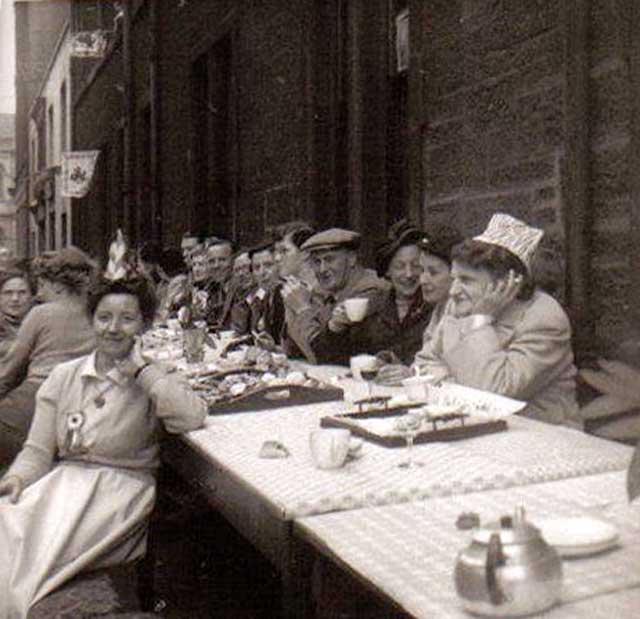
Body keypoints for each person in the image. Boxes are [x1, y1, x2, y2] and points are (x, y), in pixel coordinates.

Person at [0, 268, 206, 617]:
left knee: (35, 552)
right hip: (64, 484)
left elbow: (191, 416)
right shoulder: (65, 376)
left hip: (120, 492)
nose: (114, 328)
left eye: (127, 319)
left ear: (143, 325)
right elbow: (37, 451)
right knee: (6, 521)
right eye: (104, 317)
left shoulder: (155, 376)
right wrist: (17, 478)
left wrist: (141, 371)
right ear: (91, 321)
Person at [414, 214, 577, 425]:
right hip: (468, 426)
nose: (453, 291)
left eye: (466, 280)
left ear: (506, 282)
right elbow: (424, 362)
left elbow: (496, 392)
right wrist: (455, 381)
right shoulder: (457, 306)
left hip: (539, 438)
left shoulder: (544, 318)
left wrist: (481, 321)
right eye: (454, 278)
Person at [0, 248, 98, 467]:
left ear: (57, 285)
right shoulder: (97, 313)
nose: (39, 293)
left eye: (41, 284)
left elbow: (7, 372)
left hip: (36, 397)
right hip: (83, 406)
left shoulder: (40, 313)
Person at [310, 221, 432, 365]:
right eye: (399, 266)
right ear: (387, 271)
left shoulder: (433, 306)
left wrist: (407, 370)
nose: (409, 274)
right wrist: (335, 328)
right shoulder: (375, 305)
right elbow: (334, 359)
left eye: (416, 266)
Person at [282, 228, 389, 363]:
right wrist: (291, 307)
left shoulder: (371, 290)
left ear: (351, 259)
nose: (322, 269)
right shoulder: (329, 292)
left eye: (329, 259)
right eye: (316, 262)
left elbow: (321, 355)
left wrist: (302, 309)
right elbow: (294, 351)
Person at [0, 265, 35, 359]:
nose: (15, 298)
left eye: (22, 292)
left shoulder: (39, 323)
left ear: (32, 297)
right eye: (8, 293)